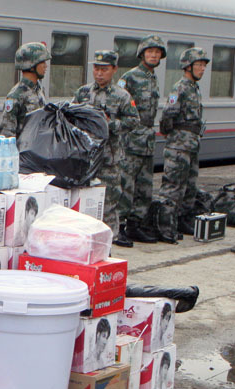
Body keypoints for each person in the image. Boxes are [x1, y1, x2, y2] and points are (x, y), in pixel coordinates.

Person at [72, 50, 138, 247]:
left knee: (109, 205)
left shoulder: (122, 96)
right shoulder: (83, 93)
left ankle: (108, 246)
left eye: (104, 69)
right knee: (84, 204)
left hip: (109, 161)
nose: (99, 73)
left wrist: (109, 125)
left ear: (114, 69)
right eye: (96, 69)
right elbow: (71, 116)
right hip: (85, 159)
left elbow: (133, 121)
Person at [157, 47, 210, 244]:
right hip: (179, 146)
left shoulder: (194, 87)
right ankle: (165, 226)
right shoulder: (180, 87)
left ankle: (182, 220)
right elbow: (168, 116)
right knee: (173, 187)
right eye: (199, 65)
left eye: (204, 65)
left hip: (191, 145)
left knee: (189, 186)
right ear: (188, 66)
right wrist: (175, 136)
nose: (202, 69)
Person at [119, 35, 166, 244]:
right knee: (126, 185)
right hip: (131, 139)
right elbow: (119, 104)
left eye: (157, 52)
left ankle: (135, 225)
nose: (154, 55)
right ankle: (119, 226)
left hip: (147, 139)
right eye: (150, 52)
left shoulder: (153, 78)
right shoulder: (129, 77)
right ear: (142, 54)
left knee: (145, 187)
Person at [0, 42, 51, 139]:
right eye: (42, 62)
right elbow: (7, 133)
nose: (45, 66)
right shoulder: (15, 96)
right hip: (23, 148)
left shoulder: (39, 90)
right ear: (31, 65)